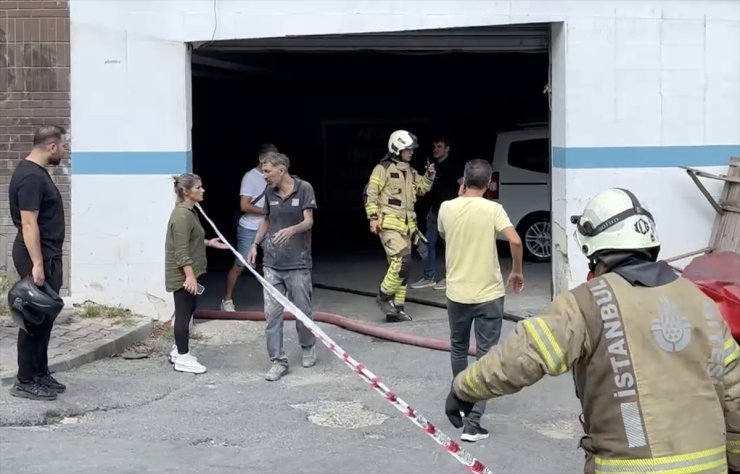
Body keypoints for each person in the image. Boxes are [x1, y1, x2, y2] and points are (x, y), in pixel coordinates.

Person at [444, 188, 740, 473]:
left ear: (595, 252)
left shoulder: (588, 302)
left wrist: (465, 388)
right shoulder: (701, 303)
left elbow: (524, 353)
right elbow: (735, 397)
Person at [437, 158, 524, 441]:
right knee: (486, 355)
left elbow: (443, 233)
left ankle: (460, 402)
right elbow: (515, 241)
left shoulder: (446, 208)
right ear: (488, 184)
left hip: (458, 294)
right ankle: (474, 422)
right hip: (489, 294)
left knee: (458, 349)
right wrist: (517, 271)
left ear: (463, 181)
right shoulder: (493, 209)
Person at [7, 125, 69, 401]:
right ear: (52, 147)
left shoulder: (37, 173)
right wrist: (37, 265)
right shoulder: (31, 177)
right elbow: (29, 223)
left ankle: (41, 372)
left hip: (47, 255)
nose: (65, 151)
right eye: (63, 146)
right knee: (33, 320)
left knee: (45, 318)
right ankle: (25, 379)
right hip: (36, 257)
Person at [247, 152, 318, 382]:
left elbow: (309, 221)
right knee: (272, 315)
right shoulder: (269, 192)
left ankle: (307, 346)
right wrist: (255, 245)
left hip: (298, 263)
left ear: (282, 170)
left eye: (267, 171)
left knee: (302, 311)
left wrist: (292, 229)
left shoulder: (304, 188)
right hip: (272, 264)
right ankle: (278, 361)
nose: (264, 176)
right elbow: (266, 220)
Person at [363, 130, 436, 322]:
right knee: (402, 261)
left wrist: (429, 175)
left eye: (412, 149)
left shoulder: (410, 171)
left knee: (404, 268)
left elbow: (422, 189)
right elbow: (371, 194)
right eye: (407, 149)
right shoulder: (382, 168)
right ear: (397, 148)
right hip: (388, 224)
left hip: (408, 227)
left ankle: (396, 310)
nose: (411, 152)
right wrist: (373, 218)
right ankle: (383, 296)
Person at [165, 173, 229, 374]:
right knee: (184, 313)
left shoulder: (190, 212)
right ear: (186, 192)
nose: (203, 190)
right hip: (182, 275)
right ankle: (182, 358)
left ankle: (178, 351)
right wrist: (189, 276)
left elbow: (191, 240)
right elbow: (181, 250)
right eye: (198, 187)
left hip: (188, 272)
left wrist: (209, 242)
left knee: (190, 307)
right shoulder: (182, 215)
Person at [221, 143, 278, 312]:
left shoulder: (275, 176)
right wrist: (266, 211)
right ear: (261, 159)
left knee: (274, 265)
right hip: (250, 227)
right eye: (271, 158)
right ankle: (227, 300)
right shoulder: (250, 177)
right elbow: (244, 206)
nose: (274, 162)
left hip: (269, 226)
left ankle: (277, 301)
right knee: (239, 265)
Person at [410, 137, 463, 291]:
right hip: (434, 210)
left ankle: (450, 279)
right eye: (434, 146)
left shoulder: (453, 166)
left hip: (449, 212)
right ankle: (428, 277)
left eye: (439, 146)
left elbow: (464, 186)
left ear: (447, 149)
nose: (436, 149)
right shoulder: (433, 167)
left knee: (450, 245)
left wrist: (460, 207)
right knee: (428, 243)